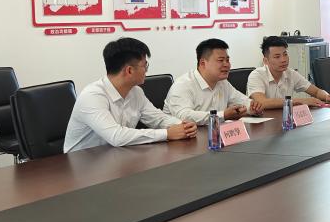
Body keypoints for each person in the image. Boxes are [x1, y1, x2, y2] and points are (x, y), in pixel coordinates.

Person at [64, 38, 197, 152]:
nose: (146, 70)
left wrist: (183, 125)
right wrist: (166, 134)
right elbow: (116, 136)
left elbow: (157, 118)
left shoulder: (136, 92)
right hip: (80, 163)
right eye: (145, 65)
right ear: (129, 70)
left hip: (117, 155)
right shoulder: (92, 96)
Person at [164, 38, 258, 124]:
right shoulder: (183, 85)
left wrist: (253, 107)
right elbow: (184, 116)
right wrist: (223, 115)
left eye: (227, 60)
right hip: (182, 136)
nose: (226, 65)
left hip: (213, 133)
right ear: (203, 63)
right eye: (220, 60)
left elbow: (242, 101)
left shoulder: (222, 82)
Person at [247, 36, 330, 110]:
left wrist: (327, 96)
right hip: (262, 123)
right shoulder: (256, 75)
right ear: (266, 61)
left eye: (285, 54)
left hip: (284, 118)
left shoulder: (290, 73)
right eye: (277, 57)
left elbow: (316, 91)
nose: (283, 60)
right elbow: (262, 102)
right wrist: (300, 101)